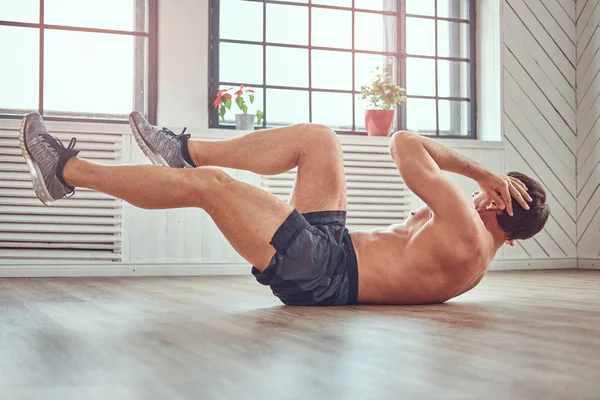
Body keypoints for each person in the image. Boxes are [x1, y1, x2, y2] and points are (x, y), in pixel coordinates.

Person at [19, 112, 550, 306]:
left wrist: (480, 172)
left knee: (212, 188)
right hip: (334, 251)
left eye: (494, 189)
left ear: (501, 200)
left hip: (321, 273)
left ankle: (63, 172)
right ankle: (182, 150)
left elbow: (404, 144)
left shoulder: (465, 226)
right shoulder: (478, 257)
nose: (484, 189)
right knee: (319, 139)